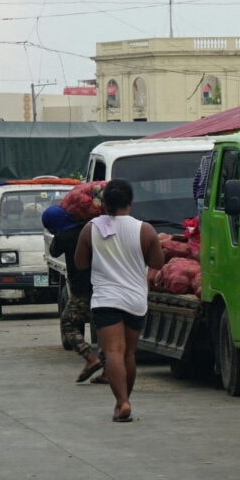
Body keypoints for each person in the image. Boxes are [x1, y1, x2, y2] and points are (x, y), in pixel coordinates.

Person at [72, 180, 164, 421]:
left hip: (106, 299)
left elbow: (80, 264)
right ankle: (124, 403)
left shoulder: (90, 229)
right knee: (128, 354)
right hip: (135, 299)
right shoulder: (145, 230)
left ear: (103, 204)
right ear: (130, 203)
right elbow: (158, 263)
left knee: (113, 351)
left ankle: (121, 402)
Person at [43, 204, 97, 367]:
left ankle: (90, 357)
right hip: (102, 286)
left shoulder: (64, 236)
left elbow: (53, 251)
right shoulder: (89, 229)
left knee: (68, 324)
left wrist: (57, 233)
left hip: (81, 290)